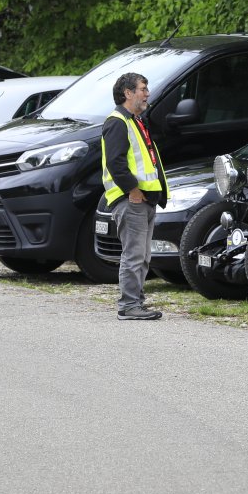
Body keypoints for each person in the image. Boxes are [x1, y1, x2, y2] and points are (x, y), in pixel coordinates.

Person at [101, 71, 169, 321]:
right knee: (134, 255)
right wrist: (134, 191)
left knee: (142, 256)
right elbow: (116, 163)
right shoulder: (118, 122)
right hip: (131, 200)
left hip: (143, 199)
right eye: (143, 89)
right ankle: (129, 305)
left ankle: (135, 303)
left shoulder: (134, 121)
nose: (147, 94)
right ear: (127, 93)